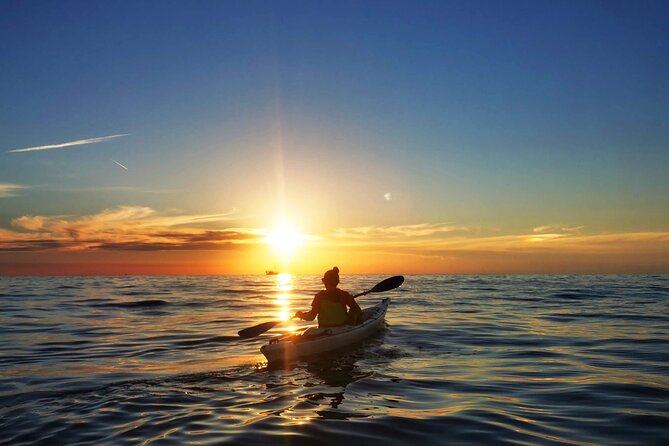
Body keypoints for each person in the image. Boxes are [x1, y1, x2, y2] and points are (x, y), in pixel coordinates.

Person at [294, 266, 362, 327]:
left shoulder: (319, 297)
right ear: (337, 282)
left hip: (324, 328)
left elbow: (311, 317)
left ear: (325, 281)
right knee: (353, 311)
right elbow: (358, 310)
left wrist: (300, 315)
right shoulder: (344, 295)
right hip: (342, 326)